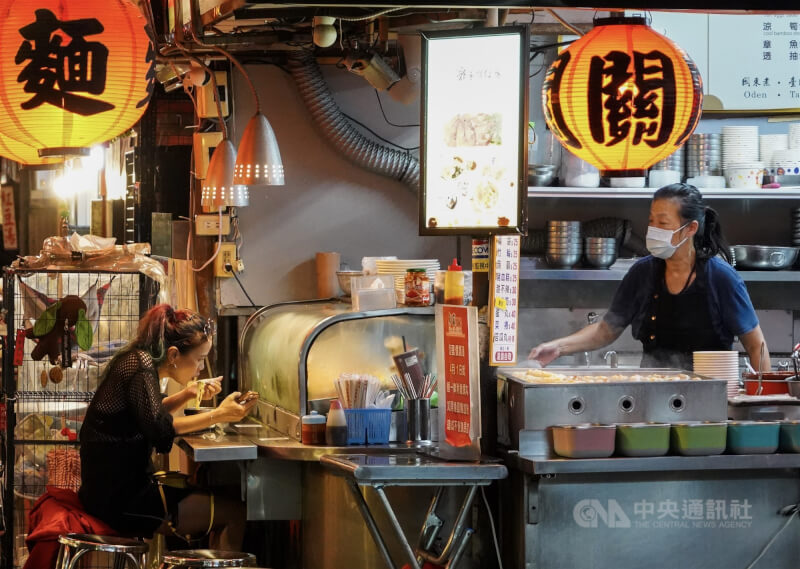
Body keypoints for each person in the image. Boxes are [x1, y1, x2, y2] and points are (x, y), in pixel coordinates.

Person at [529, 183, 771, 371]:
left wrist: (760, 403)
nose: (653, 229)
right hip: (653, 395)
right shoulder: (642, 272)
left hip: (712, 398)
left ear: (690, 229)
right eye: (651, 221)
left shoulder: (721, 278)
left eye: (663, 223)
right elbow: (606, 330)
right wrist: (557, 347)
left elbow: (755, 346)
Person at [79, 304, 258, 548]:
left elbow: (149, 415)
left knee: (204, 496)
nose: (200, 369)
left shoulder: (137, 360)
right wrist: (219, 414)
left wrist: (188, 394)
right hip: (120, 502)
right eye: (199, 359)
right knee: (234, 512)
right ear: (173, 355)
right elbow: (161, 431)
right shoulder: (140, 366)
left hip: (108, 493)